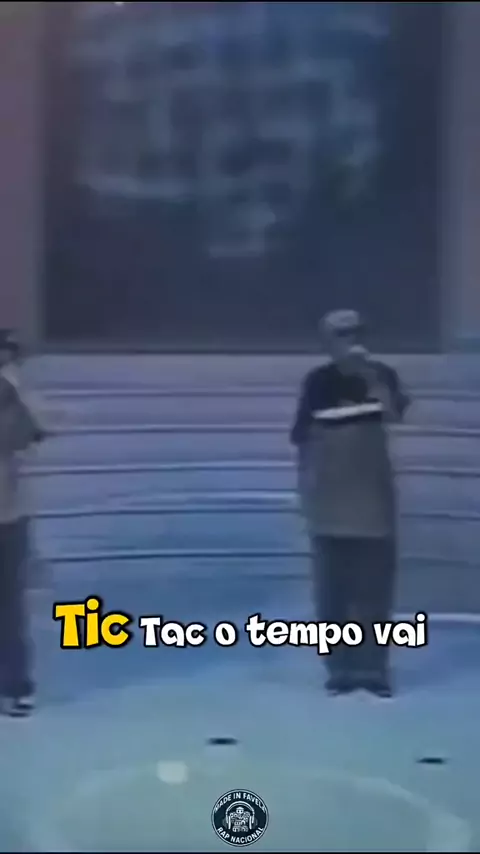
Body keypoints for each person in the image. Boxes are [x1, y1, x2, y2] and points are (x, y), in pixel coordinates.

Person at [291, 310, 410, 698]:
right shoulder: (318, 381)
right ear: (328, 341)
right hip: (329, 499)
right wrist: (307, 491)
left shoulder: (383, 375)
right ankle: (339, 668)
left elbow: (394, 414)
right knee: (332, 591)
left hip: (372, 499)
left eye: (356, 333)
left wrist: (370, 377)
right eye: (342, 334)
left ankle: (373, 668)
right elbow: (302, 438)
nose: (351, 340)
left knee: (375, 590)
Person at [0, 329, 47, 716]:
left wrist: (13, 388)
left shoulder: (14, 396)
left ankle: (16, 685)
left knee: (10, 606)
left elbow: (35, 430)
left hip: (8, 514)